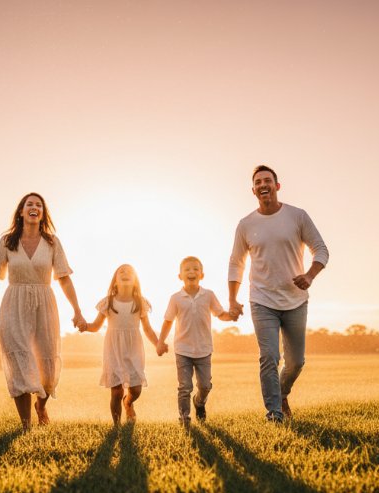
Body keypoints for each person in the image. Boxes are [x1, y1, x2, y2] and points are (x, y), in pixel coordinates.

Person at [0, 193, 86, 430]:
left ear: (42, 214)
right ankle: (26, 426)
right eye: (29, 204)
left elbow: (64, 279)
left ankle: (41, 405)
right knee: (20, 363)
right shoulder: (8, 241)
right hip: (14, 304)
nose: (34, 207)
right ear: (21, 212)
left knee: (46, 368)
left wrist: (77, 311)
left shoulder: (52, 243)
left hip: (45, 303)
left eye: (38, 205)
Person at [228, 165, 329, 422]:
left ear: (277, 186)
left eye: (268, 181)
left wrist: (309, 275)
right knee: (270, 356)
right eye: (259, 182)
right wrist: (232, 298)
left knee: (296, 362)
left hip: (295, 300)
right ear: (253, 190)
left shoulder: (297, 216)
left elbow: (321, 250)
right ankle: (274, 413)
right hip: (262, 300)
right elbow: (236, 263)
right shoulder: (245, 224)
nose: (264, 185)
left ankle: (282, 393)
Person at [156, 256, 235, 427]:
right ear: (180, 276)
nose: (191, 272)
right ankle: (185, 419)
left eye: (195, 269)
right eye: (187, 269)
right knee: (184, 386)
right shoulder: (175, 298)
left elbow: (220, 314)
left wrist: (232, 315)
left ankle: (199, 403)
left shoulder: (208, 295)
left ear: (202, 275)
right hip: (183, 350)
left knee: (205, 385)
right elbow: (168, 321)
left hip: (204, 349)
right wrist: (160, 341)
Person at [82, 264, 160, 424]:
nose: (125, 273)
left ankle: (128, 402)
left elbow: (147, 329)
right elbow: (96, 326)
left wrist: (158, 343)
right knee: (116, 391)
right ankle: (117, 426)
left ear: (136, 281)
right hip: (113, 349)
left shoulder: (140, 303)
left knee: (136, 389)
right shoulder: (108, 302)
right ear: (115, 282)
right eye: (121, 272)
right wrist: (85, 326)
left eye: (130, 271)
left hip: (134, 350)